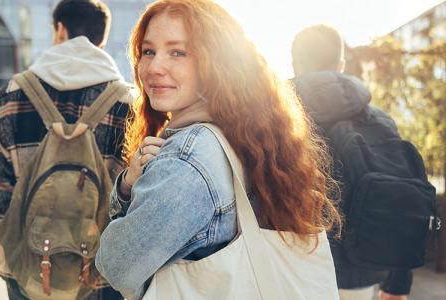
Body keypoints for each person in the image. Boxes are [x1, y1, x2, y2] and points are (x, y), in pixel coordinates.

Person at [95, 1, 341, 299]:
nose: (154, 67)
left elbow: (116, 265)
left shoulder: (188, 157)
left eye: (178, 52)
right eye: (148, 51)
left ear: (217, 62)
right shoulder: (246, 135)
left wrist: (125, 189)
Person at [0, 0, 132, 299]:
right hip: (101, 274)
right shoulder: (127, 102)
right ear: (100, 38)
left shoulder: (13, 93)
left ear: (60, 30)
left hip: (29, 269)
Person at [291, 24, 412, 300]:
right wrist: (397, 284)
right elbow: (399, 197)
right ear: (340, 64)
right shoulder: (379, 120)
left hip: (293, 271)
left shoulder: (275, 119)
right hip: (361, 271)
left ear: (295, 64)